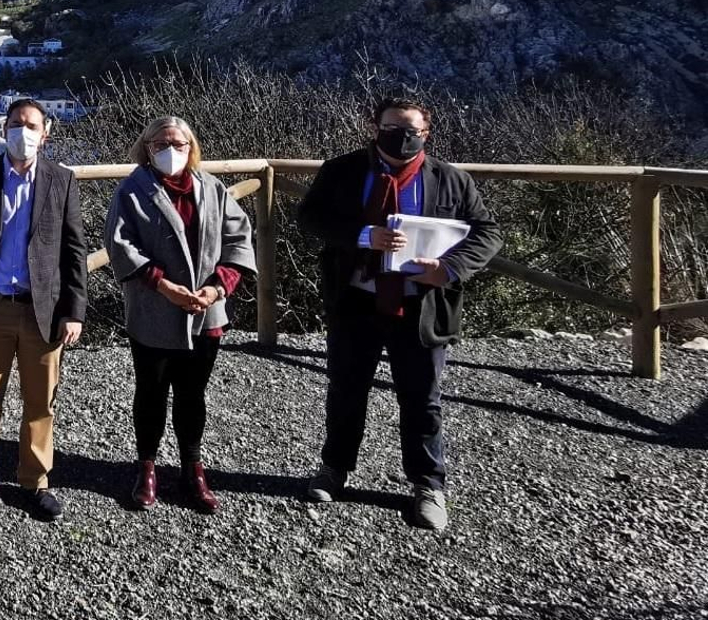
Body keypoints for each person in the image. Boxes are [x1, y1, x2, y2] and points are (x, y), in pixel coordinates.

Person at [297, 96, 502, 531]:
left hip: (421, 306)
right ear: (374, 127)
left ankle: (428, 484)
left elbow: (487, 233)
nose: (402, 137)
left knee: (423, 398)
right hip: (356, 301)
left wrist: (448, 269)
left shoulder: (450, 180)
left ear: (427, 133)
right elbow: (311, 218)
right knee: (347, 389)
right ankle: (334, 468)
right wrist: (362, 235)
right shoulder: (343, 171)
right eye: (393, 127)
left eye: (412, 130)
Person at [0, 98, 89, 522]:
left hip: (41, 309)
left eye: (30, 125)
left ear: (45, 133)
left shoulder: (61, 180)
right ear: (3, 129)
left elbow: (74, 249)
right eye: (15, 124)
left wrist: (74, 310)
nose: (21, 132)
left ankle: (36, 480)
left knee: (41, 400)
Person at [104, 116, 255, 513]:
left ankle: (193, 466)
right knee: (150, 393)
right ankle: (147, 467)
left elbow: (238, 238)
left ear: (192, 147)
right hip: (154, 309)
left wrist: (218, 286)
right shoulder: (132, 190)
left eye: (179, 143)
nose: (171, 150)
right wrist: (164, 286)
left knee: (193, 394)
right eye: (161, 143)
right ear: (146, 147)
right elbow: (121, 244)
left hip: (207, 310)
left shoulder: (212, 188)